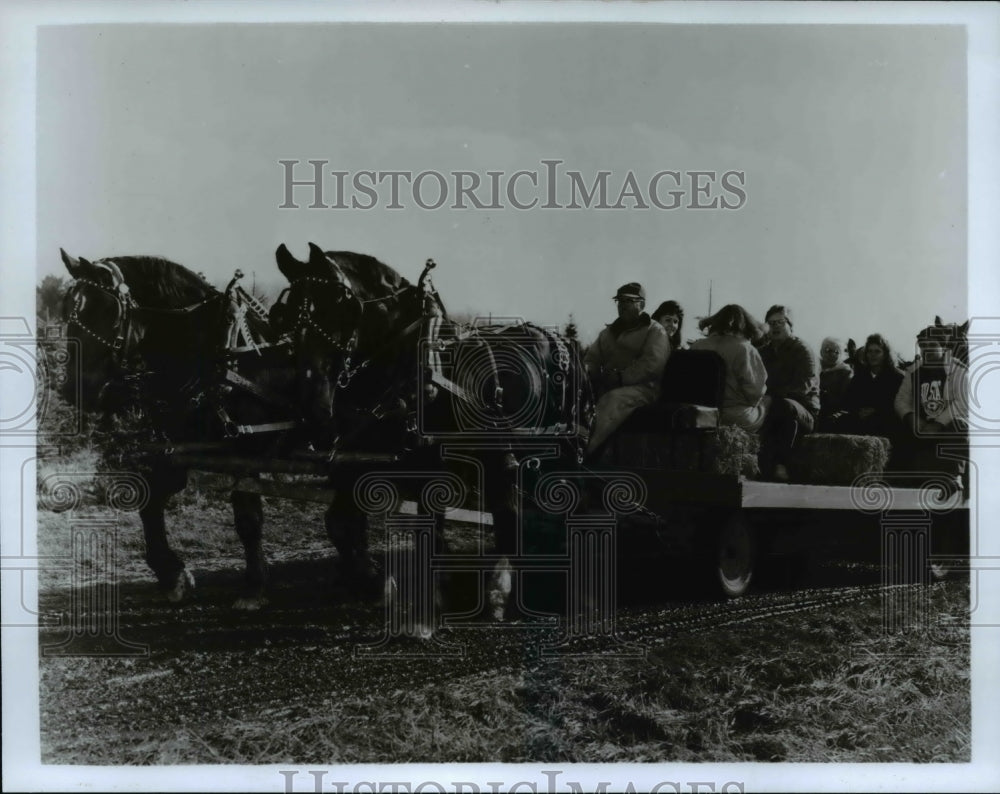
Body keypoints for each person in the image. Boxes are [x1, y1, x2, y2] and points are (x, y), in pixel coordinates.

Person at [584, 282, 670, 457]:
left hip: (645, 390)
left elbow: (652, 364)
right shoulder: (607, 333)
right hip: (609, 386)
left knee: (612, 400)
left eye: (629, 301)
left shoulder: (655, 331)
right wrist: (587, 374)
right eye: (620, 301)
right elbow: (592, 359)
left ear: (642, 304)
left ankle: (583, 452)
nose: (622, 305)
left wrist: (621, 378)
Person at [893, 325, 968, 487]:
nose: (926, 350)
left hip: (946, 426)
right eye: (923, 346)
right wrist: (912, 418)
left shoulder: (957, 370)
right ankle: (905, 476)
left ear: (943, 346)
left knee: (959, 426)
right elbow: (901, 400)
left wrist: (939, 423)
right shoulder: (913, 371)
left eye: (932, 345)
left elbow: (963, 402)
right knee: (897, 425)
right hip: (921, 425)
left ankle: (953, 476)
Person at [758, 305, 820, 481]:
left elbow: (804, 386)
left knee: (784, 407)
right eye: (770, 323)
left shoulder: (802, 350)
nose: (775, 326)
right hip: (771, 405)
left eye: (780, 322)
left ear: (790, 325)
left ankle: (781, 464)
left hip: (805, 410)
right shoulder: (764, 352)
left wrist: (772, 397)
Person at [689, 304, 768, 432]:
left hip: (701, 414)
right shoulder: (745, 349)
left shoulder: (697, 345)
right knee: (771, 404)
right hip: (734, 418)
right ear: (747, 325)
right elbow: (755, 394)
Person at [829, 333, 904, 439]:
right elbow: (848, 401)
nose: (872, 355)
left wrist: (876, 411)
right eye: (869, 351)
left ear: (885, 354)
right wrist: (857, 412)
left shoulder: (897, 377)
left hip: (886, 421)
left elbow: (900, 405)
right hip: (860, 419)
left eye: (877, 351)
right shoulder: (860, 377)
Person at [817, 336, 853, 430]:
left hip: (834, 412)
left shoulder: (845, 372)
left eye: (836, 352)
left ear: (841, 354)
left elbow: (846, 399)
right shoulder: (815, 368)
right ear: (821, 352)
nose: (832, 354)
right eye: (828, 350)